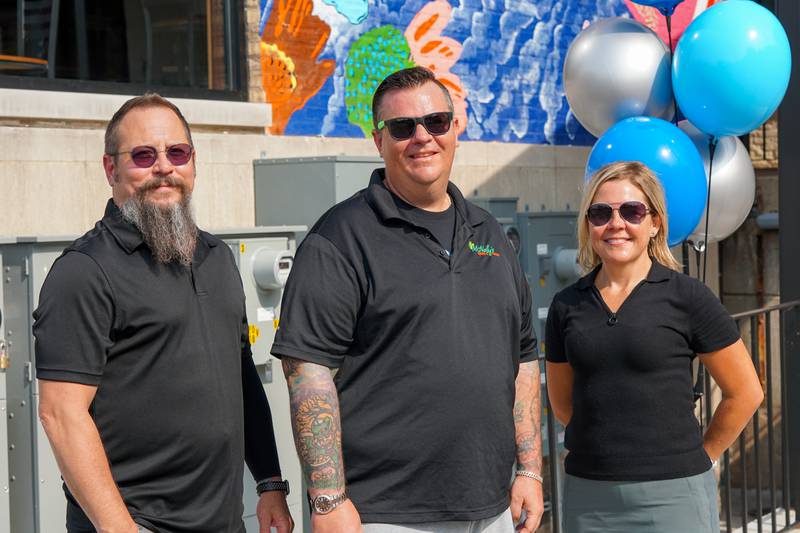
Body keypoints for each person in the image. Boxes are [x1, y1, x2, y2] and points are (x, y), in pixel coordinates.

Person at [270, 66, 545, 533]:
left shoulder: (490, 233)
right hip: (388, 515)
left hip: (495, 507)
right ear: (379, 141)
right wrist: (328, 499)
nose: (422, 137)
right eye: (402, 127)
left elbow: (522, 359)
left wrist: (530, 470)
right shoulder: (340, 237)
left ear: (455, 128)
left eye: (436, 122)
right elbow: (308, 371)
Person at [32, 93, 294, 533]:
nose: (164, 167)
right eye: (143, 155)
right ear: (110, 169)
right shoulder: (84, 271)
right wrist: (118, 527)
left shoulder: (218, 257)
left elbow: (242, 376)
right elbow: (60, 414)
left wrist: (269, 481)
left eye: (177, 152)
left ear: (193, 162)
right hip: (135, 524)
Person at [545, 161, 764, 533]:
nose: (616, 224)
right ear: (588, 225)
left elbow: (745, 393)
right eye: (601, 213)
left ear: (655, 223)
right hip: (589, 495)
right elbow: (564, 403)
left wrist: (700, 457)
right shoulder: (567, 305)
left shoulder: (688, 297)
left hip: (674, 496)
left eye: (632, 211)